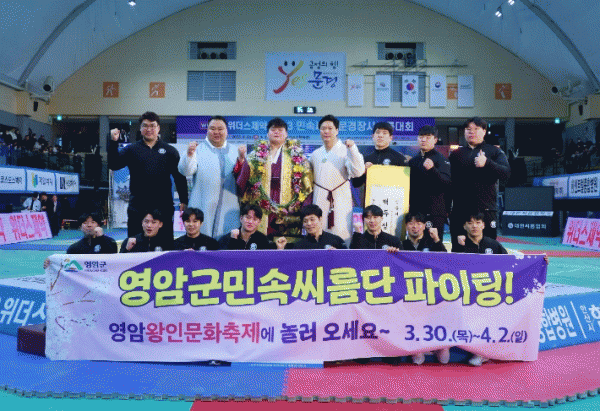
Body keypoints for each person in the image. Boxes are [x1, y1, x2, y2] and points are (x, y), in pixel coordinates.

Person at [108, 111, 188, 241]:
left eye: (152, 126)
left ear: (158, 128)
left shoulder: (170, 151)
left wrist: (184, 199)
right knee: (135, 243)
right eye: (145, 126)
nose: (149, 129)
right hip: (138, 206)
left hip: (163, 206)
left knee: (165, 244)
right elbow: (114, 164)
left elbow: (179, 176)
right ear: (140, 129)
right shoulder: (131, 150)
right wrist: (113, 142)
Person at [236, 117, 313, 240]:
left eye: (280, 130)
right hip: (261, 209)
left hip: (289, 210)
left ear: (286, 134)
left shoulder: (298, 157)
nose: (276, 132)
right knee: (260, 243)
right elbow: (242, 183)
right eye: (273, 130)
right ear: (267, 133)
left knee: (287, 245)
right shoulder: (255, 156)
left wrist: (304, 210)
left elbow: (307, 187)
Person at [449, 117, 510, 250]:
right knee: (459, 251)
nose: (471, 132)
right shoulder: (456, 154)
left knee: (487, 250)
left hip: (486, 211)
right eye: (468, 129)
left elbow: (506, 173)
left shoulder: (494, 151)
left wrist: (487, 163)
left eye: (476, 129)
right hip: (460, 212)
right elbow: (449, 183)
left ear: (484, 131)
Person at [178, 116, 240, 238]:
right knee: (202, 242)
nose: (216, 132)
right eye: (212, 129)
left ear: (227, 131)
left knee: (227, 242)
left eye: (220, 129)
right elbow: (186, 171)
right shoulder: (197, 150)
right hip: (203, 206)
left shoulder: (235, 151)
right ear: (207, 131)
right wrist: (189, 155)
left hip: (229, 208)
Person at [310, 114, 365, 244]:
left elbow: (358, 172)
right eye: (323, 128)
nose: (326, 131)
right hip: (319, 200)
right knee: (318, 235)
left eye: (330, 128)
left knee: (341, 234)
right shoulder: (315, 154)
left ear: (337, 130)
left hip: (340, 200)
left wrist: (353, 149)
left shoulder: (346, 150)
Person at [408, 126, 451, 239]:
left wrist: (432, 170)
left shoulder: (441, 159)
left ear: (435, 140)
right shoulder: (413, 161)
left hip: (434, 212)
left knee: (434, 243)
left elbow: (446, 184)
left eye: (428, 137)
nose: (423, 140)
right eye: (421, 137)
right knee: (415, 243)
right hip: (416, 212)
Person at [352, 122, 407, 188]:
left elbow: (405, 184)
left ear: (391, 137)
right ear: (373, 136)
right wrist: (363, 171)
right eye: (378, 132)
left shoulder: (399, 158)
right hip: (371, 194)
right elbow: (355, 184)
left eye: (384, 133)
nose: (380, 136)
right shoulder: (365, 159)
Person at [277, 204, 346, 250]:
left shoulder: (336, 241)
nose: (309, 223)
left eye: (312, 219)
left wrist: (337, 255)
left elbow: (348, 262)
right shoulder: (299, 246)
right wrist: (280, 249)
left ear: (320, 219)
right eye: (305, 221)